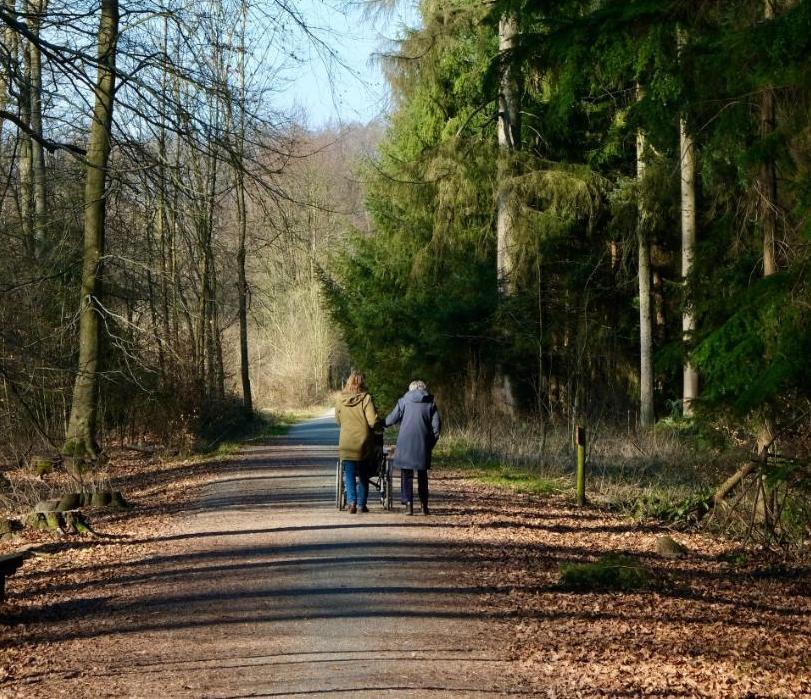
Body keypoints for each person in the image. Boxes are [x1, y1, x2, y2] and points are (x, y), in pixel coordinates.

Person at [385, 380, 441, 515]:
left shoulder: (403, 401)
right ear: (424, 389)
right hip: (423, 443)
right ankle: (424, 506)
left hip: (405, 444)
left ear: (410, 390)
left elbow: (391, 420)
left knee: (406, 474)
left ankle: (408, 505)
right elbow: (436, 428)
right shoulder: (430, 403)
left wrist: (382, 423)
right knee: (422, 475)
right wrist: (429, 444)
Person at [335, 370, 381, 514]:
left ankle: (351, 502)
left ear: (349, 381)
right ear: (362, 383)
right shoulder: (366, 398)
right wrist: (378, 423)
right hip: (363, 443)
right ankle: (361, 504)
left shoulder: (340, 399)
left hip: (346, 442)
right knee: (363, 474)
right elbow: (372, 421)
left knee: (348, 473)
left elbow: (337, 420)